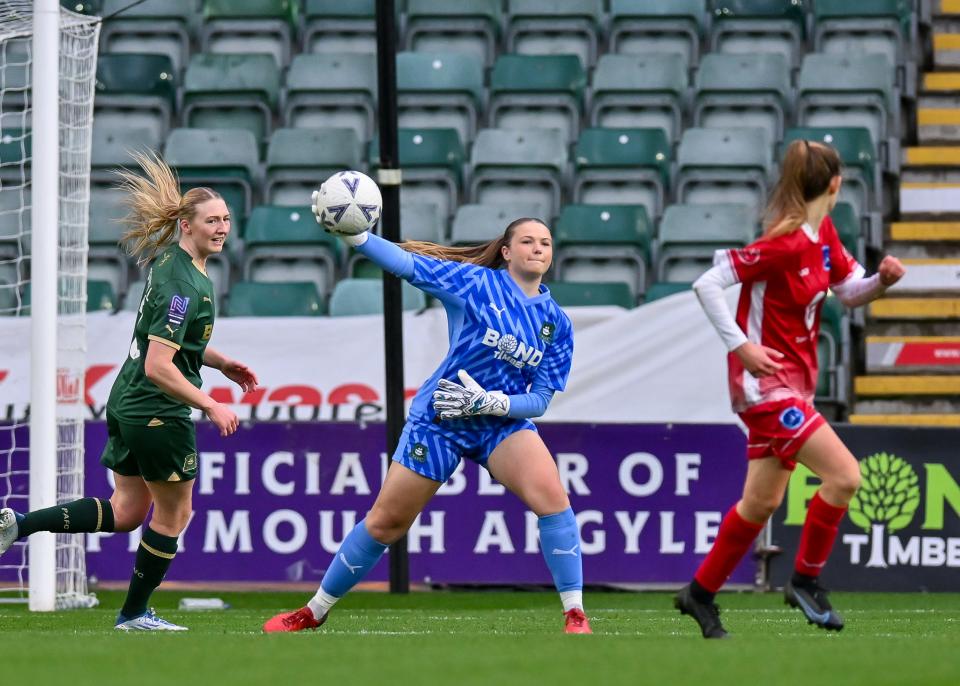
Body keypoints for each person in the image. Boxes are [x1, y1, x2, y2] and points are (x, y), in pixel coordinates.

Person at [263, 204, 590, 634]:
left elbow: (541, 400)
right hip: (443, 418)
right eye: (527, 241)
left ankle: (575, 614)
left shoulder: (556, 323)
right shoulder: (476, 282)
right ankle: (314, 611)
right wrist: (358, 237)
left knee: (554, 501)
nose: (537, 248)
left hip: (499, 422)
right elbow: (409, 266)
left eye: (545, 243)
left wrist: (495, 404)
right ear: (507, 252)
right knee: (387, 522)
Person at [0, 152, 258, 631]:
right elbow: (161, 366)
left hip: (128, 401)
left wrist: (220, 363)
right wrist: (210, 403)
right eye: (212, 220)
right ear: (186, 225)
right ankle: (134, 613)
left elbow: (168, 343)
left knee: (126, 512)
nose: (222, 228)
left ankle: (18, 524)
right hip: (158, 409)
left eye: (225, 219)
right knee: (175, 514)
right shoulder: (183, 285)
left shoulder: (174, 263)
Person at [675, 140, 905, 638]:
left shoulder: (822, 235)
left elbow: (849, 292)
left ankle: (699, 593)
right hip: (765, 388)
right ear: (836, 183)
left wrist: (881, 283)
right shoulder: (782, 244)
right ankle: (805, 581)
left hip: (794, 387)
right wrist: (740, 346)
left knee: (760, 503)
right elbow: (707, 284)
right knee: (845, 476)